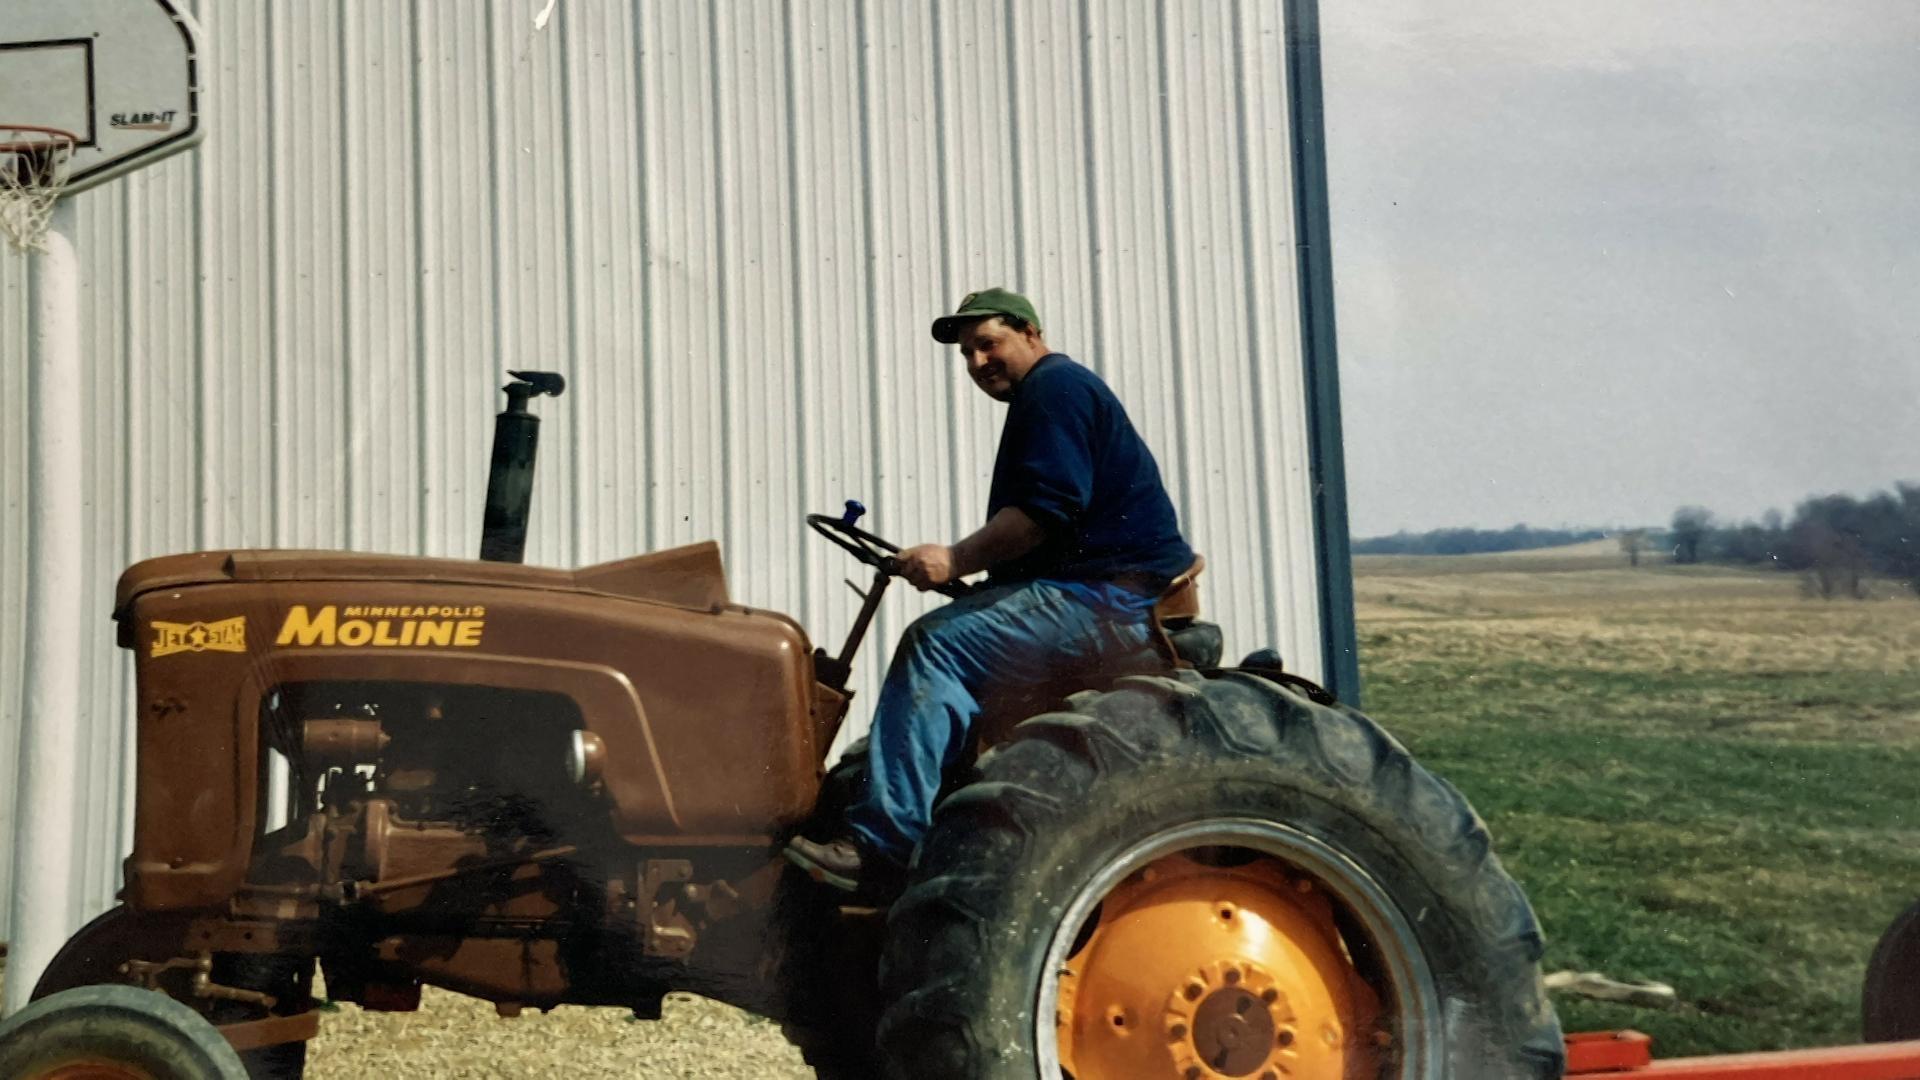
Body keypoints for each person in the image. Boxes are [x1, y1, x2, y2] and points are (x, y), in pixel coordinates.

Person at [784, 287, 1194, 894]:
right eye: (968, 354)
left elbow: (1039, 516)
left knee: (935, 646)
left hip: (1108, 599)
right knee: (954, 639)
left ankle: (883, 850)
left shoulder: (1056, 390)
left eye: (989, 344)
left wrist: (953, 559)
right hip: (1090, 591)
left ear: (1031, 332)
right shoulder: (1048, 394)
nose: (978, 363)